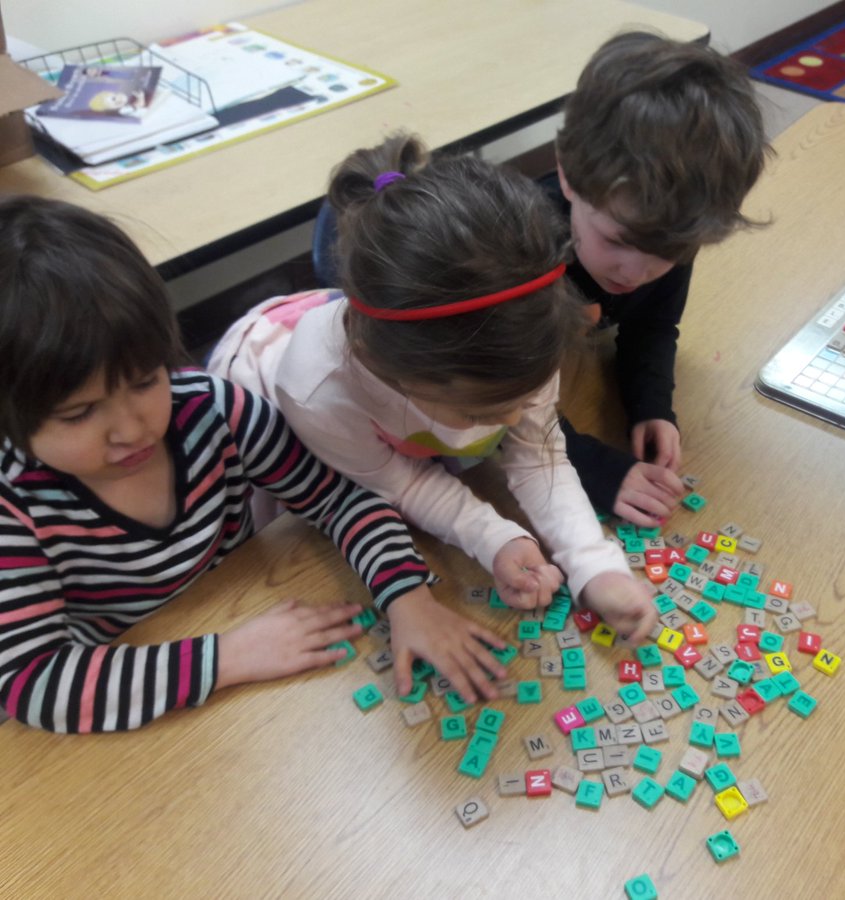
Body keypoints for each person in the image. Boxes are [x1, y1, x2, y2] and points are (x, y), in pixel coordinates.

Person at [0, 195, 512, 733]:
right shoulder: (14, 508)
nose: (130, 430)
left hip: (240, 636)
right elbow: (31, 681)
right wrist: (228, 657)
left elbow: (338, 496)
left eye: (145, 381)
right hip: (138, 699)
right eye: (80, 414)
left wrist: (407, 595)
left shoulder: (213, 410)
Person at [209, 133, 656, 658]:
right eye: (483, 411)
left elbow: (537, 451)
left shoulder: (521, 333)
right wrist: (491, 535)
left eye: (522, 395)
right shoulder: (317, 393)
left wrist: (594, 564)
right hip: (289, 426)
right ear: (403, 378)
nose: (514, 417)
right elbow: (401, 484)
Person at [545, 31, 771, 526]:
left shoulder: (669, 223)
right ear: (566, 174)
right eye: (618, 241)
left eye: (668, 252)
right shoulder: (516, 251)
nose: (638, 272)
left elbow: (650, 325)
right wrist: (587, 465)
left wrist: (652, 407)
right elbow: (488, 400)